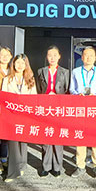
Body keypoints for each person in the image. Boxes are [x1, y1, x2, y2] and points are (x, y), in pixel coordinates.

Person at [69, 46, 96, 178]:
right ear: (82, 57)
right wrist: (77, 94)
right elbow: (71, 89)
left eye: (91, 55)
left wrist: (94, 96)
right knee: (81, 137)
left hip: (94, 109)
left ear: (95, 58)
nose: (88, 57)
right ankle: (80, 166)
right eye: (86, 55)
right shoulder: (75, 72)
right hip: (80, 109)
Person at [35, 45, 71, 177]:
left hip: (59, 108)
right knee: (46, 136)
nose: (52, 58)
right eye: (50, 55)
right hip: (45, 108)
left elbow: (67, 90)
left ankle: (57, 166)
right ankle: (45, 166)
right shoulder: (41, 71)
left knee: (58, 137)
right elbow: (38, 90)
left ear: (59, 56)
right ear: (46, 57)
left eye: (55, 55)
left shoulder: (65, 72)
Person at [2, 54, 38, 182]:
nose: (20, 65)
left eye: (23, 63)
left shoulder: (30, 79)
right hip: (11, 115)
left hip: (25, 115)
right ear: (13, 64)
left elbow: (34, 98)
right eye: (17, 62)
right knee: (13, 143)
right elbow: (3, 98)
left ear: (26, 65)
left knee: (23, 141)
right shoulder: (7, 79)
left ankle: (22, 165)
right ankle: (13, 172)